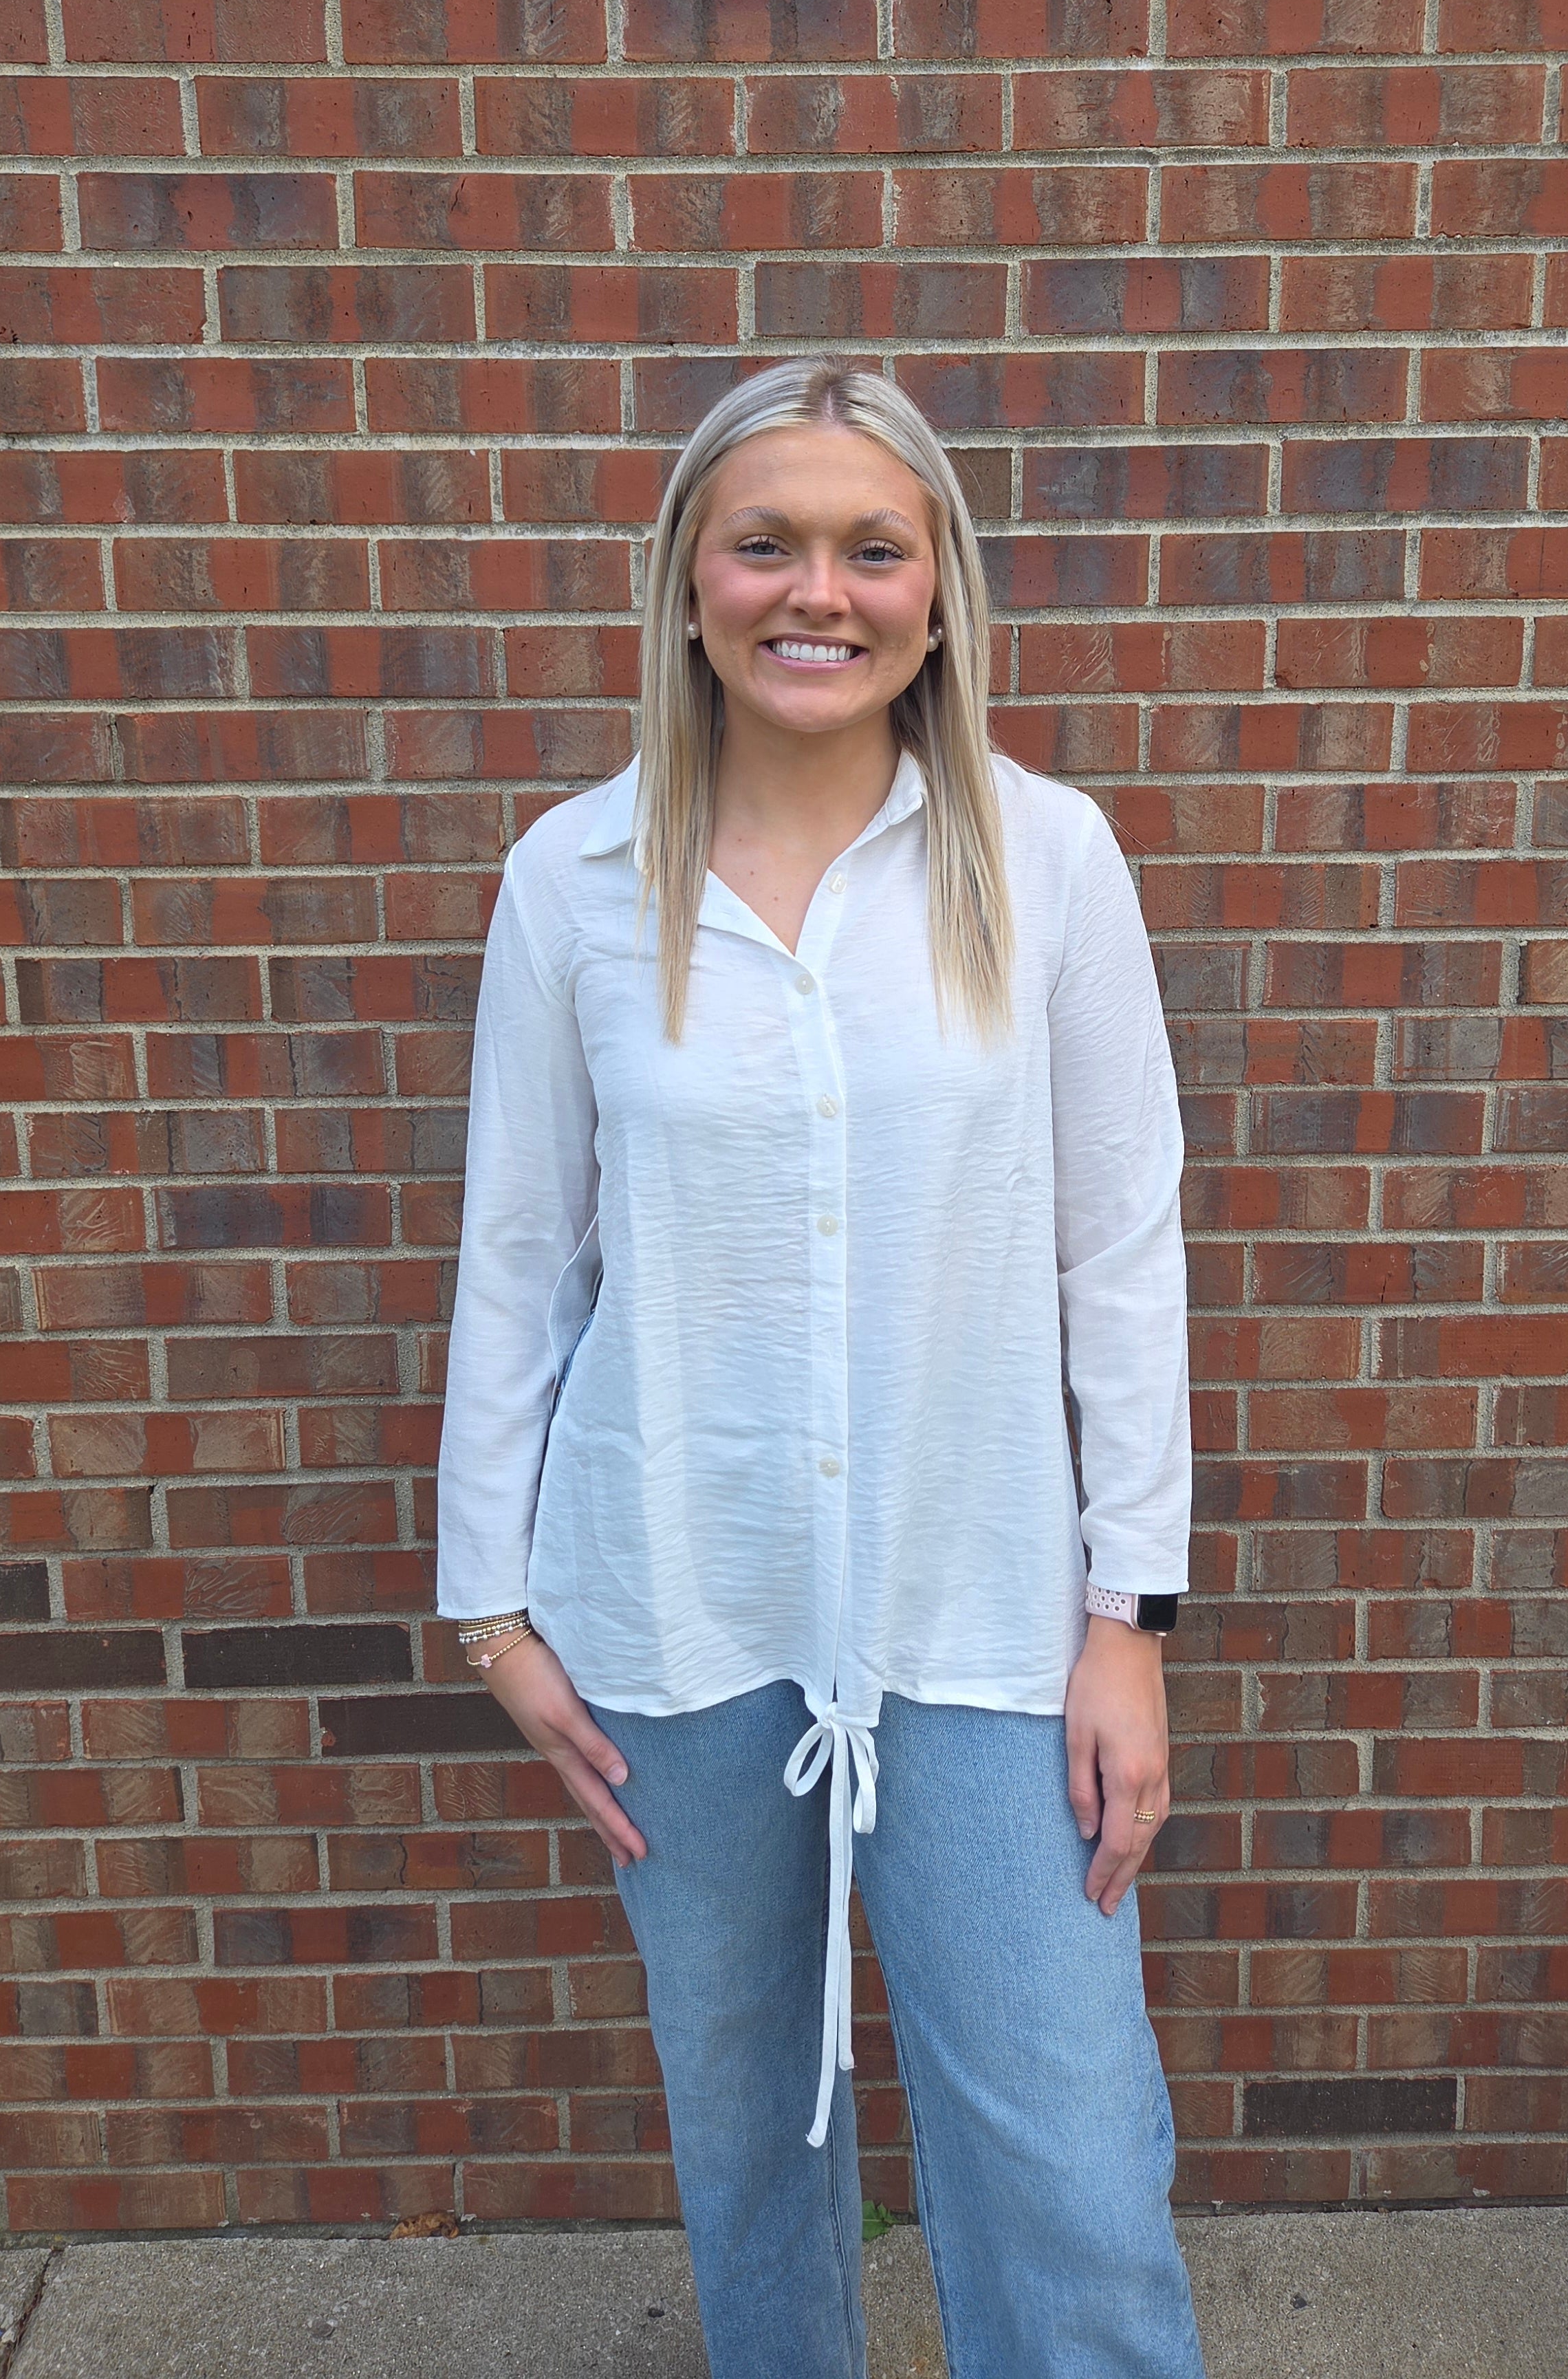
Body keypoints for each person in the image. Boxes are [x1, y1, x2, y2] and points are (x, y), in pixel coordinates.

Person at [434, 358, 1204, 2379]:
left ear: (942, 591)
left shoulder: (1047, 863)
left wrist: (1131, 1614)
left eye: (875, 547)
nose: (820, 590)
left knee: (1070, 2159)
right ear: (689, 584)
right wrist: (493, 1610)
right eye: (766, 541)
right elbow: (519, 1250)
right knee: (747, 2136)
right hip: (676, 1607)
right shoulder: (575, 881)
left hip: (977, 1614)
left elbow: (1120, 1253)